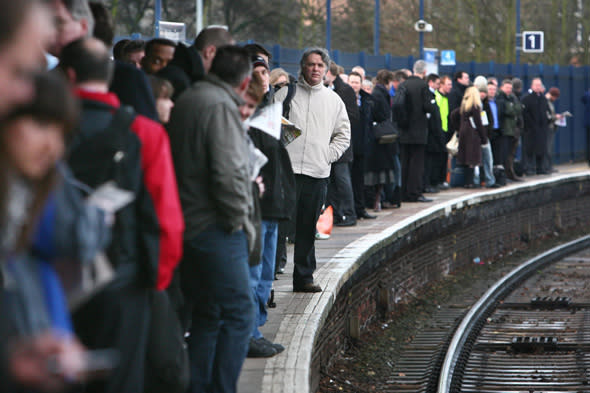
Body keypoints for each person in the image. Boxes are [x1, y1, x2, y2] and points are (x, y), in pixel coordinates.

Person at [60, 37, 182, 393]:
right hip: (123, 283)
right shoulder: (145, 132)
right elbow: (167, 218)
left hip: (53, 281)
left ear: (67, 75)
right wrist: (155, 282)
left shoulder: (45, 125)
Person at [167, 45, 256, 393]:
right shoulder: (220, 107)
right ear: (245, 81)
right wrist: (241, 223)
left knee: (209, 313)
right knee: (239, 313)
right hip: (215, 227)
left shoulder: (191, 97)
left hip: (188, 223)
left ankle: (200, 386)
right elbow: (230, 173)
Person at [274, 47, 350, 293]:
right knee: (279, 227)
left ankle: (304, 277)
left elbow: (343, 135)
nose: (315, 69)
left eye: (319, 65)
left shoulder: (333, 100)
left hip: (317, 173)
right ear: (302, 67)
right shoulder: (284, 94)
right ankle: (271, 275)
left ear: (326, 69)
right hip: (287, 172)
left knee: (307, 227)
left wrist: (326, 157)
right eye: (310, 64)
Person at [325, 62, 358, 226]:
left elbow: (352, 117)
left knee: (342, 180)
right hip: (329, 144)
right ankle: (337, 214)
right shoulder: (329, 89)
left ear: (329, 72)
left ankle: (349, 213)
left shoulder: (344, 90)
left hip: (341, 144)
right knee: (332, 182)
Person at [399, 60, 436, 202]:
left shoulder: (404, 84)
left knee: (405, 162)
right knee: (417, 163)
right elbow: (428, 107)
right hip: (418, 131)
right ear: (424, 72)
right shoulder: (423, 85)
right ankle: (414, 193)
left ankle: (403, 193)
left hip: (404, 131)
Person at [348, 71, 377, 219]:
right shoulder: (343, 99)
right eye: (352, 82)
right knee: (348, 181)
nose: (354, 85)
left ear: (361, 84)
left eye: (356, 82)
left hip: (363, 146)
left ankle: (360, 209)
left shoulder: (367, 100)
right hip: (348, 146)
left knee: (360, 180)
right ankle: (350, 210)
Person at [450, 86, 487, 188]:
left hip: (463, 133)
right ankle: (471, 183)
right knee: (472, 159)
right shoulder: (475, 107)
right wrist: (484, 138)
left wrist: (458, 127)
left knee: (466, 158)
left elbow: (453, 115)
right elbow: (479, 123)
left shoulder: (464, 106)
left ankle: (467, 182)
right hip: (473, 135)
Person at [521, 78, 550, 175]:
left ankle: (540, 168)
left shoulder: (543, 99)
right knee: (529, 150)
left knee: (541, 149)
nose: (538, 87)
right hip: (530, 129)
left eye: (539, 85)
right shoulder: (527, 98)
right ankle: (528, 168)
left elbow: (546, 112)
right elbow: (525, 114)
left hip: (541, 129)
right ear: (532, 86)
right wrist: (530, 125)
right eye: (536, 85)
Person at [496, 79, 523, 181]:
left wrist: (512, 107)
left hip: (513, 130)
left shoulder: (512, 97)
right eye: (507, 87)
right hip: (504, 130)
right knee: (503, 154)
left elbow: (518, 109)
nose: (508, 90)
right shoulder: (500, 97)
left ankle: (510, 173)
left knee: (510, 154)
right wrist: (511, 107)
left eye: (510, 88)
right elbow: (509, 110)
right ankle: (504, 175)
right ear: (502, 87)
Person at [545, 87, 562, 173]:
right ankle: (547, 166)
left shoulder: (550, 102)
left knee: (550, 147)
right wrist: (555, 117)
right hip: (548, 128)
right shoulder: (546, 102)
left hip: (551, 127)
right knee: (548, 147)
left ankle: (549, 166)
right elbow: (547, 115)